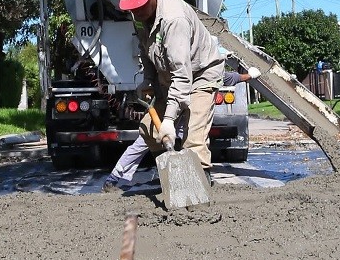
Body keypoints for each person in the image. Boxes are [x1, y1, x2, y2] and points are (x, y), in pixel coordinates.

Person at [115, 0, 225, 186]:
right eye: (133, 7)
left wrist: (168, 119)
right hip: (171, 77)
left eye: (141, 5)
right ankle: (171, 178)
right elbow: (145, 49)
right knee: (148, 129)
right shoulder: (139, 17)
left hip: (200, 74)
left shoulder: (174, 20)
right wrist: (148, 80)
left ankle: (201, 187)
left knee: (193, 137)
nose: (137, 11)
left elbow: (182, 76)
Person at [100, 69, 261, 194]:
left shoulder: (206, 71)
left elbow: (230, 77)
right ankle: (114, 179)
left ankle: (198, 180)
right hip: (168, 110)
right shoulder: (175, 69)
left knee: (194, 143)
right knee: (144, 140)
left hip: (187, 117)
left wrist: (249, 76)